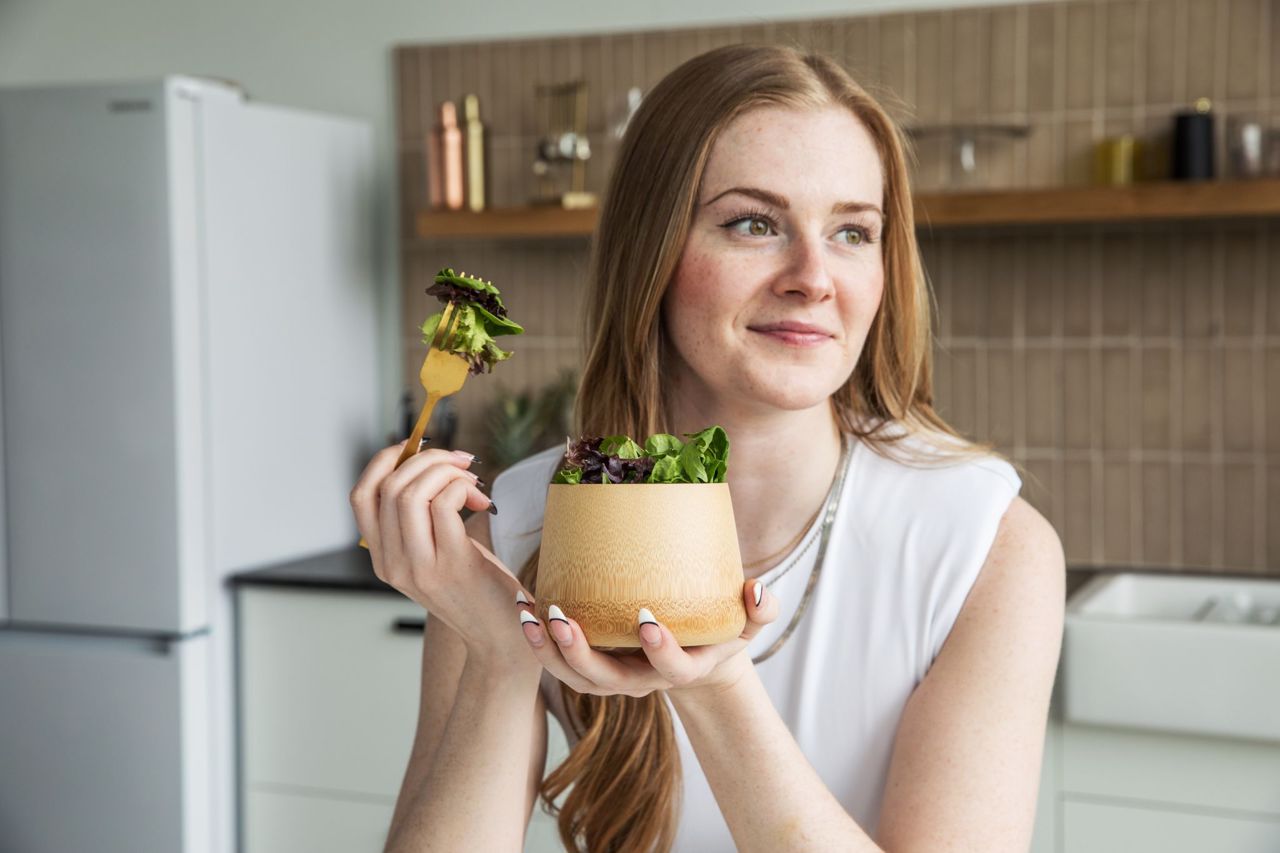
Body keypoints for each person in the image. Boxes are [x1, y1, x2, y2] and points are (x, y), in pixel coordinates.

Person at [349, 43, 1064, 853]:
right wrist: (498, 656)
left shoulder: (987, 551)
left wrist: (718, 681)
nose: (813, 276)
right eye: (753, 223)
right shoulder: (510, 536)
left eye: (852, 232)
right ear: (653, 252)